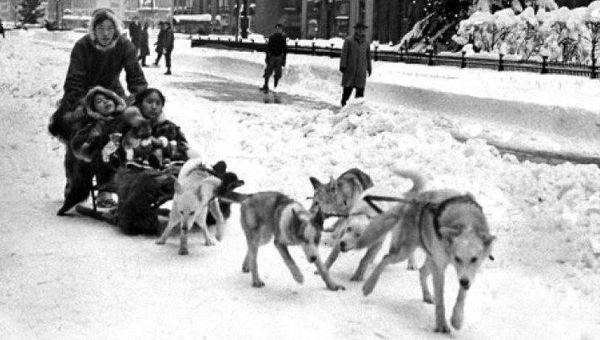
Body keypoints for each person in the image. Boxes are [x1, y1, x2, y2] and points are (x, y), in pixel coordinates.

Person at [48, 8, 148, 216]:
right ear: (93, 29)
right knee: (79, 135)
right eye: (101, 28)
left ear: (116, 29)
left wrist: (139, 99)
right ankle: (74, 182)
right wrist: (82, 106)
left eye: (110, 28)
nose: (105, 33)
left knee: (116, 136)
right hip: (83, 96)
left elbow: (136, 78)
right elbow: (74, 80)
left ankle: (107, 186)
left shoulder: (124, 46)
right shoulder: (82, 46)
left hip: (111, 95)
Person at [339, 22, 372, 107]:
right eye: (359, 29)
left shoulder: (366, 43)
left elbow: (368, 57)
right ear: (356, 30)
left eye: (363, 29)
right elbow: (344, 54)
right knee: (347, 91)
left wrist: (369, 68)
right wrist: (342, 65)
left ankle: (357, 110)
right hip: (350, 70)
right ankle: (344, 106)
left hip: (361, 71)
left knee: (360, 94)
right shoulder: (348, 41)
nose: (361, 31)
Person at [260, 23, 287, 93]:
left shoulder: (283, 38)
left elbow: (285, 50)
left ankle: (275, 86)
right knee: (268, 72)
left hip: (279, 57)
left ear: (281, 30)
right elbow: (268, 48)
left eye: (280, 29)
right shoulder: (272, 37)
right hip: (272, 56)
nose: (278, 30)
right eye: (277, 29)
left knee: (278, 73)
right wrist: (267, 57)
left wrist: (284, 59)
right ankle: (266, 85)